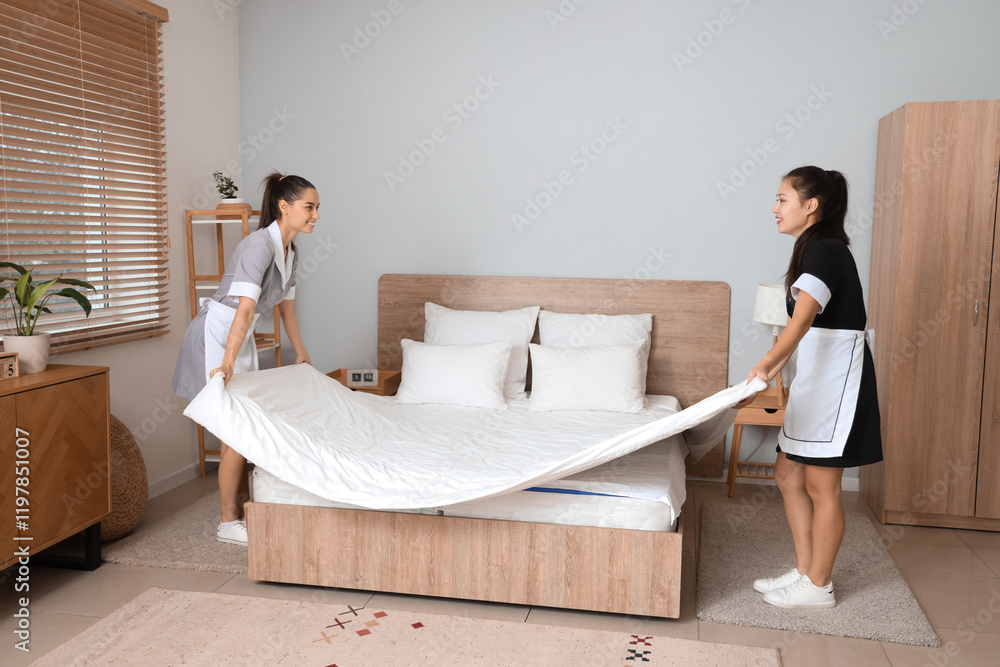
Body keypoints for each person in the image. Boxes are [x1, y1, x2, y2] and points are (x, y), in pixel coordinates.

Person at [740, 166, 882, 608]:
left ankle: (819, 585)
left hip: (837, 385)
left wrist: (764, 365)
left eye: (783, 199)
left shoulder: (825, 251)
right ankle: (805, 571)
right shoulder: (815, 250)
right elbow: (800, 326)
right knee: (787, 474)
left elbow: (801, 321)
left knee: (823, 488)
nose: (775, 208)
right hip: (818, 379)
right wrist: (776, 369)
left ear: (811, 205)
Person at [172, 172, 318, 546]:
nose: (316, 215)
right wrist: (228, 361)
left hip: (240, 334)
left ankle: (242, 507)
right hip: (218, 334)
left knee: (244, 427)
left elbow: (286, 310)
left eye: (316, 208)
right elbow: (244, 307)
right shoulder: (258, 246)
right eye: (309, 207)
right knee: (234, 430)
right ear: (284, 207)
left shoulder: (291, 251)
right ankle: (227, 522)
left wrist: (301, 352)